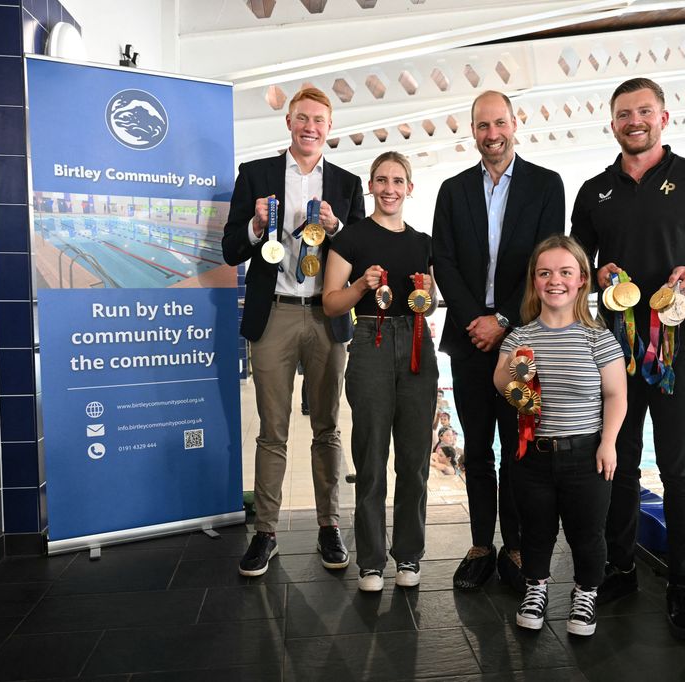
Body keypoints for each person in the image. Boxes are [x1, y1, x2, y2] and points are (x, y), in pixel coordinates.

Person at [570, 77, 685, 639]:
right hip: (615, 351)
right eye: (624, 114)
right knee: (617, 462)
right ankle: (620, 568)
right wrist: (594, 275)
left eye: (643, 111)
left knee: (677, 469)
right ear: (613, 123)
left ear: (664, 117)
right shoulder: (595, 190)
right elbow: (576, 263)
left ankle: (681, 584)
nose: (634, 121)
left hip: (680, 349)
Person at [222, 87, 365, 578]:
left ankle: (329, 525)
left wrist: (339, 228)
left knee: (327, 426)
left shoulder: (346, 183)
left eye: (319, 120)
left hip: (327, 316)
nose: (311, 127)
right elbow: (229, 250)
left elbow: (361, 254)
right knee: (272, 430)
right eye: (302, 118)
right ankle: (266, 532)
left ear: (330, 127)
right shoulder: (256, 176)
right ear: (288, 121)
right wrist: (256, 225)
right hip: (274, 314)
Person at [432, 90, 566, 593]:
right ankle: (479, 546)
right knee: (479, 448)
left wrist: (504, 320)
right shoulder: (452, 189)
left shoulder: (546, 185)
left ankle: (515, 546)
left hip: (524, 339)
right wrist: (478, 322)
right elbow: (443, 260)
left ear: (516, 123)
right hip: (469, 340)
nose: (492, 135)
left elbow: (547, 260)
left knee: (518, 447)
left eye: (499, 123)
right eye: (482, 126)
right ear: (473, 131)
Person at [493, 235, 627, 636]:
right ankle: (536, 589)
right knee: (535, 532)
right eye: (545, 272)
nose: (556, 280)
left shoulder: (598, 338)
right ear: (535, 281)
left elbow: (616, 394)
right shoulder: (520, 337)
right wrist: (515, 372)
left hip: (586, 454)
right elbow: (500, 382)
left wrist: (609, 442)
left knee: (587, 535)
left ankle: (586, 594)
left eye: (565, 272)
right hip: (532, 454)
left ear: (582, 279)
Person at [322, 151, 438, 591]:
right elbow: (331, 302)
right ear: (370, 186)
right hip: (370, 339)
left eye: (398, 180)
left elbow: (431, 301)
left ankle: (408, 555)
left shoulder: (423, 242)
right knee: (371, 458)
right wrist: (360, 286)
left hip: (415, 343)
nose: (389, 188)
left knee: (414, 460)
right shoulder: (350, 238)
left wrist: (428, 291)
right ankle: (371, 561)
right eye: (381, 179)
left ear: (410, 187)